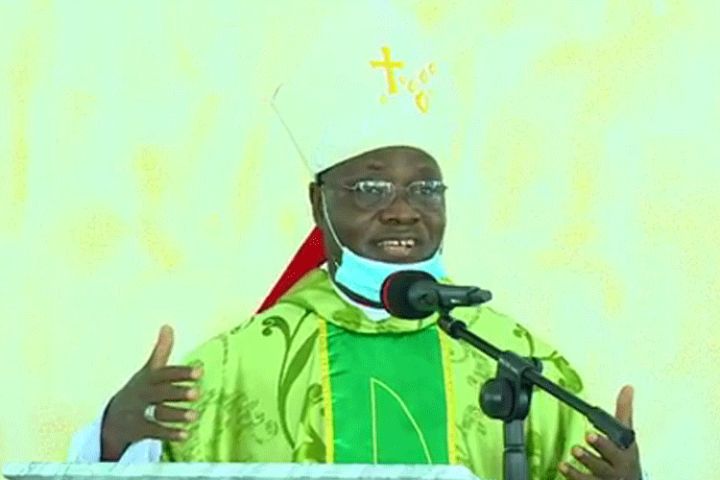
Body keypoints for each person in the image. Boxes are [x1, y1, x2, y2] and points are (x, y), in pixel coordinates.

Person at [68, 3, 644, 479]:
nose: (403, 211)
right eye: (371, 188)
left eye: (425, 189)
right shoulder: (235, 368)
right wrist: (112, 441)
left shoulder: (520, 366)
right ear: (318, 204)